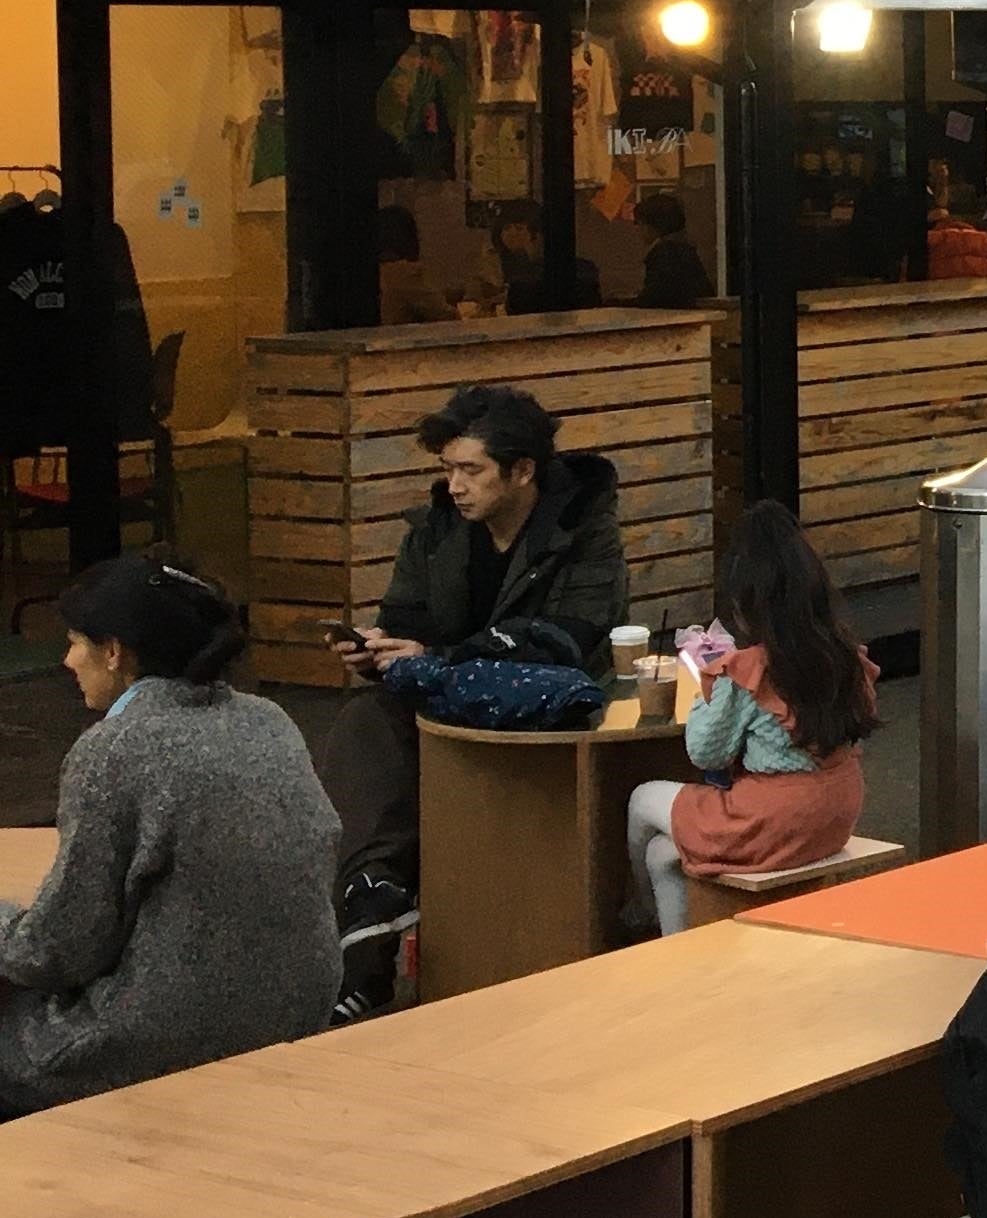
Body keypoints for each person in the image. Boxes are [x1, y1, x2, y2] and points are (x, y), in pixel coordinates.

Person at [0, 553, 338, 1117]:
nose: (66, 660)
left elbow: (57, 952)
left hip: (172, 1038)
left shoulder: (114, 750)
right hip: (296, 1014)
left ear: (114, 652)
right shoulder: (270, 720)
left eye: (75, 643)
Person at [623, 504, 879, 936]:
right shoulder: (847, 658)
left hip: (771, 819)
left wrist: (707, 688)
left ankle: (634, 913)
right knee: (662, 855)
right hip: (835, 813)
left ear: (744, 605)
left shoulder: (747, 670)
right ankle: (669, 940)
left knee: (642, 798)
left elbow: (706, 752)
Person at [346, 384, 634, 734]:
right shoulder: (435, 531)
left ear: (523, 471)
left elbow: (564, 642)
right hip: (443, 697)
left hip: (550, 706)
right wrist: (377, 649)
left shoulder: (582, 530)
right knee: (366, 718)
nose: (455, 486)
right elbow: (403, 622)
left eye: (471, 470)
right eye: (448, 469)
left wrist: (436, 659)